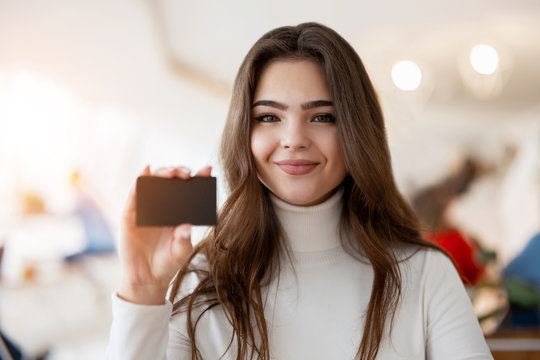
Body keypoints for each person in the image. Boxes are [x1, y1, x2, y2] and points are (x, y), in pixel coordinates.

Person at [107, 22, 492, 359]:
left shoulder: (424, 274)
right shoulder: (204, 279)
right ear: (244, 133)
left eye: (322, 117)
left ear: (357, 133)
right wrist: (142, 290)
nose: (293, 139)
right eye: (269, 117)